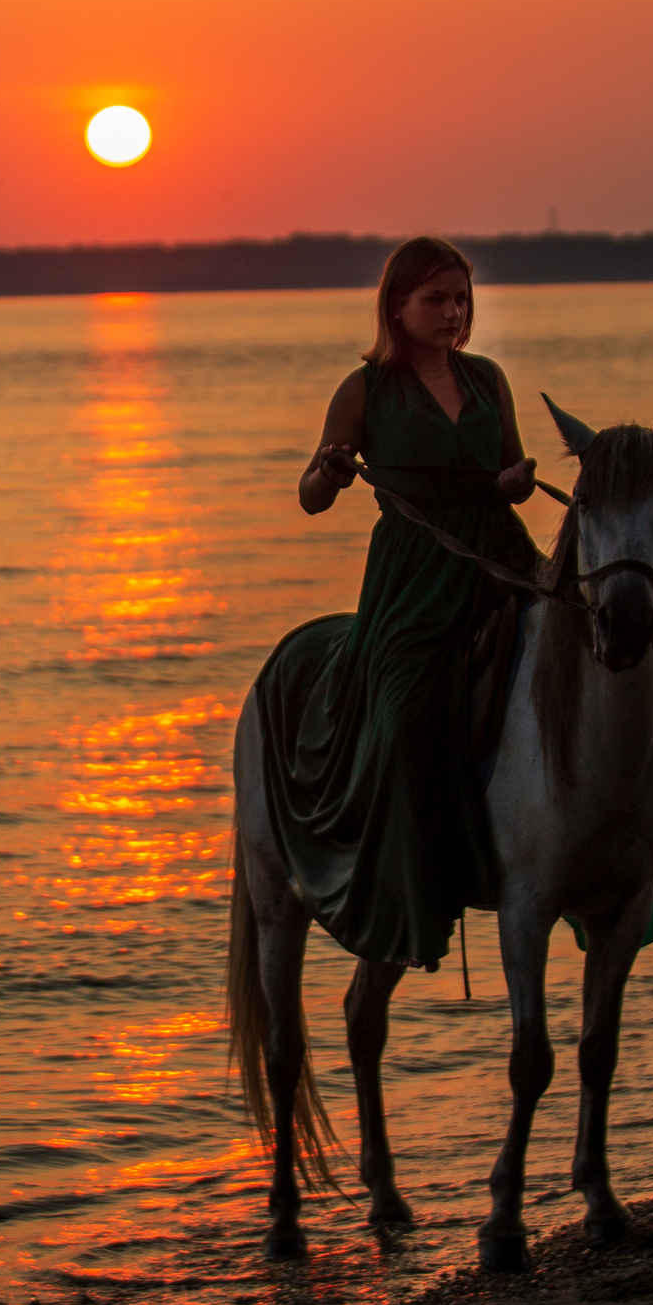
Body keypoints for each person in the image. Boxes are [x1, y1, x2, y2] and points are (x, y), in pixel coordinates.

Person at [248, 235, 545, 967]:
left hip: (497, 554)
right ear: (397, 306)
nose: (452, 312)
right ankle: (418, 879)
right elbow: (310, 498)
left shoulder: (487, 379)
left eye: (461, 299)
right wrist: (330, 470)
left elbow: (511, 469)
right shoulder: (365, 390)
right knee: (409, 712)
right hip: (416, 571)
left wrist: (516, 484)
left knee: (602, 652)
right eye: (435, 299)